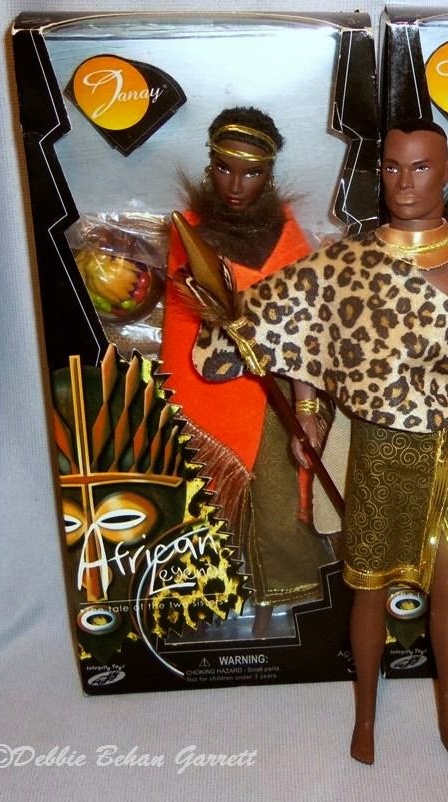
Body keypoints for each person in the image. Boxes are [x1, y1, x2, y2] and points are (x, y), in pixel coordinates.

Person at [175, 119, 448, 769]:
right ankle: (366, 717)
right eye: (392, 167)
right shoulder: (348, 259)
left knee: (447, 586)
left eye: (420, 168)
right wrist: (304, 407)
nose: (403, 182)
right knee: (368, 583)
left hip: (443, 449)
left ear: (447, 174)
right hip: (377, 447)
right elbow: (298, 323)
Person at [161, 106, 331, 638]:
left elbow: (307, 328)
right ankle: (223, 602)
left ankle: (285, 602)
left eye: (252, 172)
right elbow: (180, 329)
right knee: (213, 502)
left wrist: (307, 407)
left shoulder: (287, 236)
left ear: (269, 173)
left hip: (279, 388)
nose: (236, 185)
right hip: (210, 391)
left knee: (280, 502)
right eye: (224, 168)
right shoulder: (189, 233)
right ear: (209, 164)